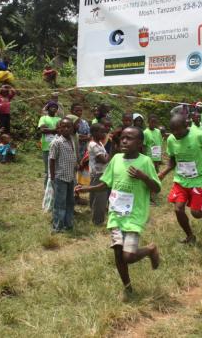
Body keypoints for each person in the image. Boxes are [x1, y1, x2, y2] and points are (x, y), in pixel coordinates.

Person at [76, 127, 161, 297]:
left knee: (128, 256)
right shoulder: (115, 159)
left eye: (129, 138)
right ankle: (127, 287)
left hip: (134, 216)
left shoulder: (145, 162)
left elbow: (156, 188)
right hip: (116, 214)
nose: (124, 141)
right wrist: (87, 188)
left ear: (139, 143)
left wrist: (143, 177)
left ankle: (150, 249)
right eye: (122, 138)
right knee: (118, 252)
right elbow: (106, 183)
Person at [159, 115, 202, 244]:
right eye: (172, 130)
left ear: (186, 126)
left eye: (178, 130)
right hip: (180, 180)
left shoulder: (199, 135)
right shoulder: (171, 139)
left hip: (198, 180)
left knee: (196, 213)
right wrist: (162, 174)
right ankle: (190, 236)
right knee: (178, 209)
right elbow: (172, 162)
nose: (175, 134)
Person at [49, 118, 77, 233]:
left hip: (71, 176)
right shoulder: (57, 142)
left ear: (72, 129)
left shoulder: (72, 140)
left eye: (68, 127)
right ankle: (57, 226)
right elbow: (52, 160)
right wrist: (52, 177)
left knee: (70, 201)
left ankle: (68, 223)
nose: (66, 129)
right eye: (63, 127)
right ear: (59, 129)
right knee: (60, 203)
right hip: (60, 177)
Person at [87, 122, 109, 225]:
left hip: (101, 172)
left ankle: (95, 217)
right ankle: (97, 220)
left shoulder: (99, 143)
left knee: (96, 195)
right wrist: (112, 154)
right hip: (98, 173)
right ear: (95, 132)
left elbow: (104, 157)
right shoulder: (93, 144)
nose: (104, 134)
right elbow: (103, 160)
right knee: (100, 197)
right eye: (102, 132)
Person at [39, 101, 61, 187]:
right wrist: (55, 130)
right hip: (46, 147)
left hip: (58, 146)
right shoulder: (43, 118)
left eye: (55, 107)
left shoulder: (59, 119)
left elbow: (61, 130)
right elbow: (42, 130)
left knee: (57, 168)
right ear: (48, 108)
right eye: (52, 107)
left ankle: (55, 186)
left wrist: (49, 130)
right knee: (48, 169)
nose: (54, 108)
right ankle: (47, 188)